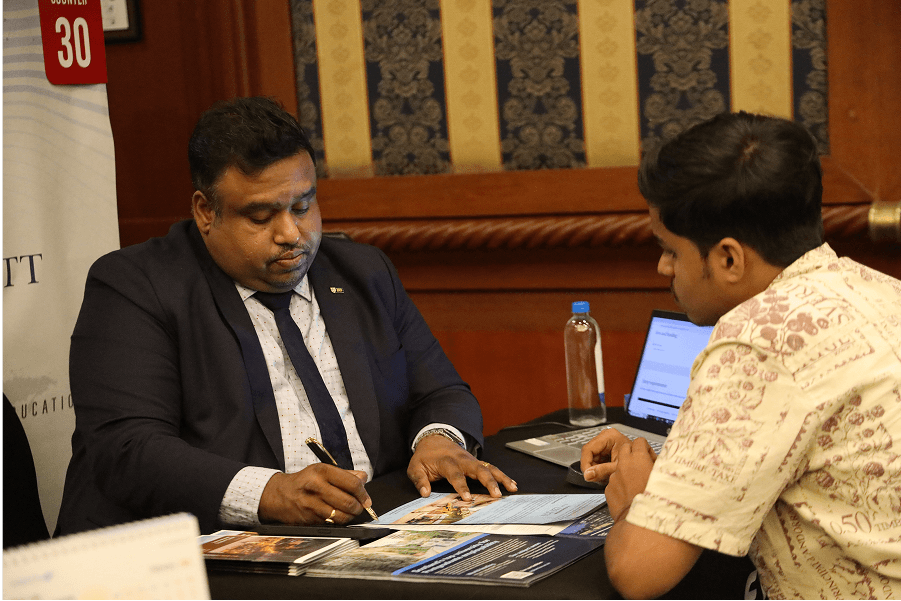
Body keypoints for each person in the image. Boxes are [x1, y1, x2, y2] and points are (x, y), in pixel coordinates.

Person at [56, 96, 516, 536]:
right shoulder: (135, 287)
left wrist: (437, 439)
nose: (292, 233)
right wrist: (268, 494)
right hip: (192, 554)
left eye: (302, 206)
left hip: (371, 528)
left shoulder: (362, 272)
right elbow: (127, 448)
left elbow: (440, 390)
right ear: (205, 211)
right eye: (261, 217)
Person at [581, 111, 901, 599]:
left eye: (670, 250)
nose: (662, 267)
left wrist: (636, 498)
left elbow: (638, 572)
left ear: (728, 258)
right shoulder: (881, 289)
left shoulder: (759, 338)